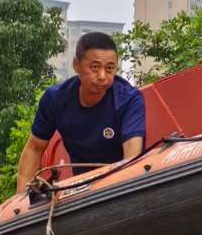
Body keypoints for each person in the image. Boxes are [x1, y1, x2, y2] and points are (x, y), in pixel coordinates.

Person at [16, 31, 145, 191]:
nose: (102, 76)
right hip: (81, 188)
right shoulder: (55, 99)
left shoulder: (129, 100)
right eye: (95, 67)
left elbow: (131, 157)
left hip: (117, 183)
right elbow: (34, 148)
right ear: (76, 65)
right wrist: (20, 203)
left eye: (110, 68)